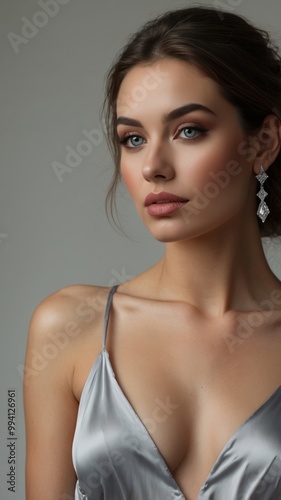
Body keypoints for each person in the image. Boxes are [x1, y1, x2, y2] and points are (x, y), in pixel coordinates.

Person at [24, 5, 281, 500]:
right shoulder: (69, 327)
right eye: (133, 139)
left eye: (189, 131)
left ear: (263, 142)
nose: (153, 167)